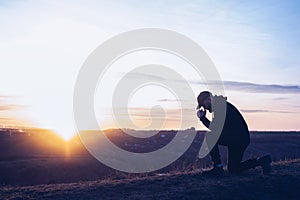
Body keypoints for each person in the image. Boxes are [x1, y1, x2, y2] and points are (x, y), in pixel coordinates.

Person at [196, 91, 271, 176]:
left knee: (210, 136)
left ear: (208, 99)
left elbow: (215, 128)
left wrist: (203, 118)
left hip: (237, 139)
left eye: (203, 104)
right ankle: (261, 161)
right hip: (240, 139)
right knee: (233, 169)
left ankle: (218, 167)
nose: (204, 108)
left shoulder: (220, 106)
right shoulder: (221, 105)